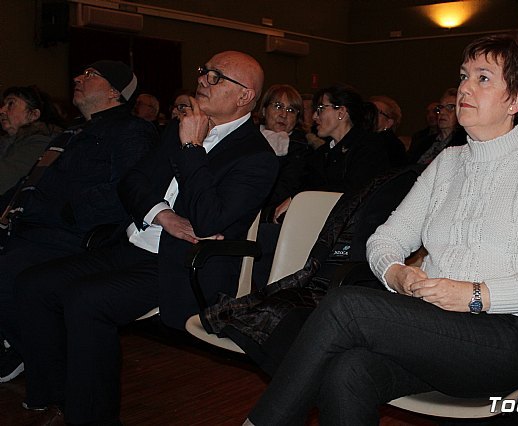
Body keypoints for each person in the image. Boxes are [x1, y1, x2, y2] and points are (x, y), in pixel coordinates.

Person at [245, 33, 518, 426]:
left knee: (347, 306)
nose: (465, 87)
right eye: (463, 76)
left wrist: (475, 295)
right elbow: (386, 239)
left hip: (512, 337)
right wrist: (396, 273)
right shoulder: (447, 163)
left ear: (516, 99)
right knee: (348, 370)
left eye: (483, 78)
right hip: (436, 330)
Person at [15, 50, 278, 426]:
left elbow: (208, 221)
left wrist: (192, 149)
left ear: (245, 96)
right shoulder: (179, 128)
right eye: (204, 71)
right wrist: (162, 214)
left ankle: (92, 419)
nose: (202, 80)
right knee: (34, 284)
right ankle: (55, 398)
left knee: (85, 300)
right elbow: (132, 181)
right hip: (134, 243)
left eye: (216, 77)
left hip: (181, 265)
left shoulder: (257, 156)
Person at [0, 60, 155, 385]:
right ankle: (21, 344)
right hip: (29, 227)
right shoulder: (72, 131)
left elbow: (126, 189)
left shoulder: (131, 130)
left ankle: (32, 356)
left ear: (114, 91)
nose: (77, 78)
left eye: (90, 75)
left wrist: (65, 213)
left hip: (68, 235)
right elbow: (32, 182)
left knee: (8, 273)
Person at [252, 84, 313, 289]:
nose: (283, 114)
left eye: (291, 110)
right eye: (277, 106)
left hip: (274, 219)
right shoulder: (246, 140)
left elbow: (287, 189)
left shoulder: (301, 148)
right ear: (263, 110)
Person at [303, 84, 390, 195]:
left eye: (321, 108)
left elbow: (356, 193)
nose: (314, 116)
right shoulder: (321, 154)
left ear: (341, 112)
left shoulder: (369, 148)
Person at [0, 86, 65, 195]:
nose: (1, 110)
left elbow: (4, 179)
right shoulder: (6, 142)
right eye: (3, 105)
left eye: (11, 104)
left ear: (33, 115)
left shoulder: (41, 144)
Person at [406, 88, 467, 164]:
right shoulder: (424, 141)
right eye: (440, 108)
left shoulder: (465, 143)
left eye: (450, 107)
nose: (442, 112)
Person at [369, 95, 407, 168]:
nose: (371, 114)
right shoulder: (360, 137)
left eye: (377, 111)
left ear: (389, 122)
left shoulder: (393, 145)